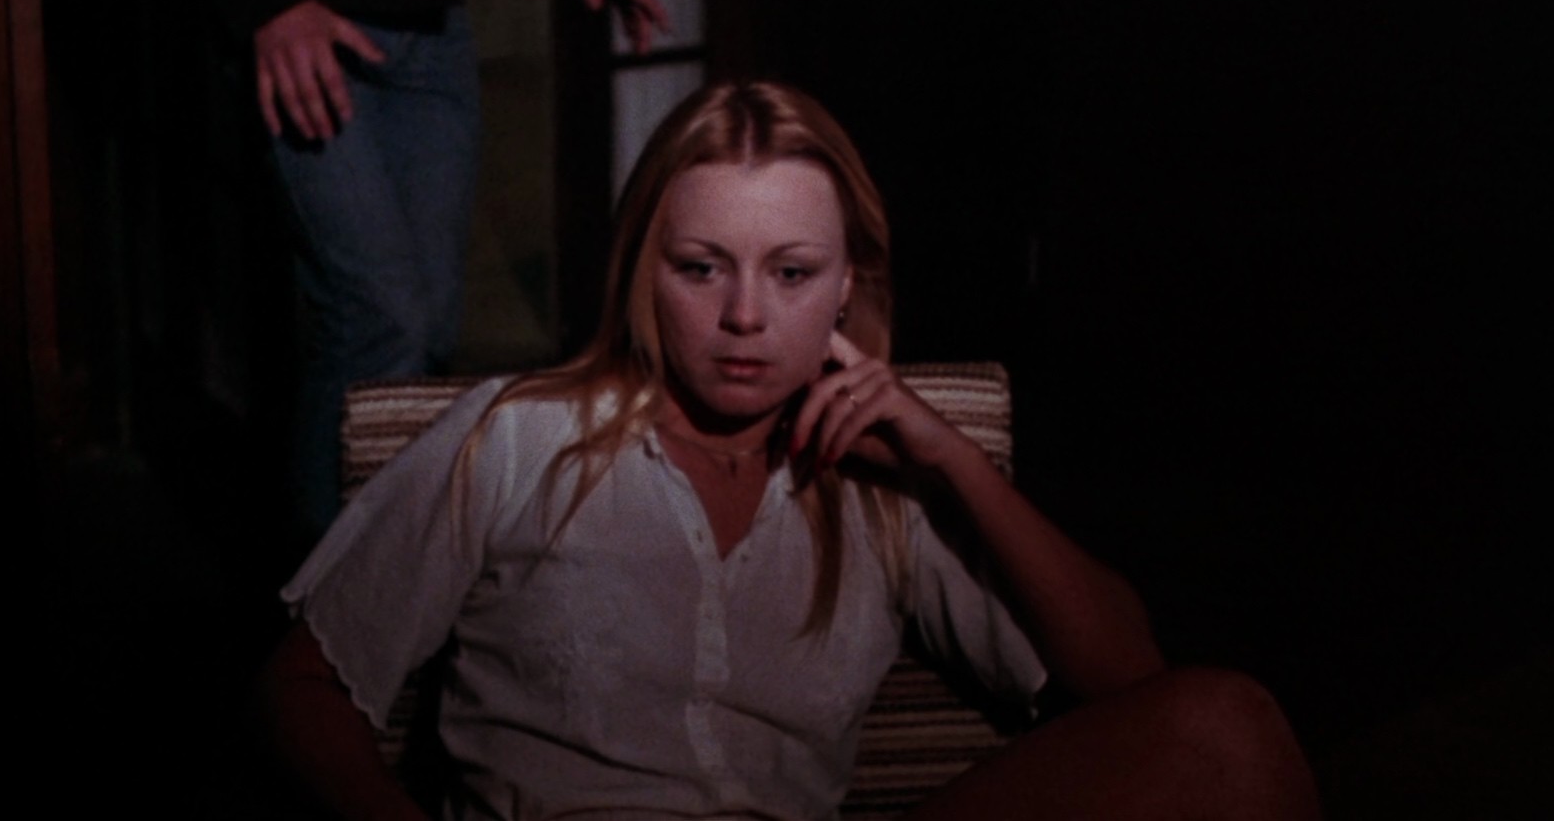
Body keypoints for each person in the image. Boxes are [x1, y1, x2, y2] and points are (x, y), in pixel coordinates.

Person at [263, 82, 1321, 820]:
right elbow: (300, 686)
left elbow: (1132, 678)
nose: (744, 316)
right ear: (644, 271)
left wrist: (951, 459)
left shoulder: (884, 483)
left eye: (792, 272)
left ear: (847, 284)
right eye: (701, 267)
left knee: (1227, 724)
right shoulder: (517, 436)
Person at [136, 0, 669, 540]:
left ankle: (397, 571)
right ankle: (334, 595)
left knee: (427, 330)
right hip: (309, 14)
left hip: (432, 10)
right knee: (379, 316)